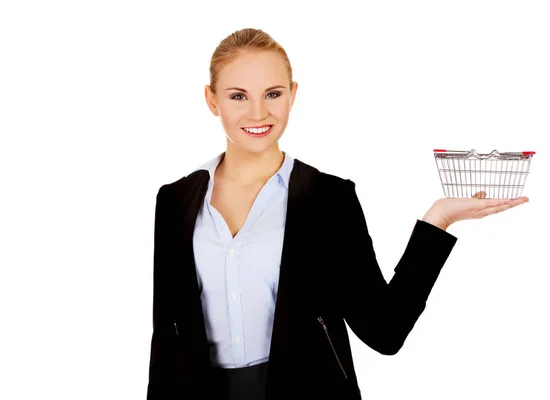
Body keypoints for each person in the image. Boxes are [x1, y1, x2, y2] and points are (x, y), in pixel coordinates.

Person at [146, 28, 529, 400]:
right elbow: (165, 340)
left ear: (293, 95)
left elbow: (385, 331)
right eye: (238, 96)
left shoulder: (329, 199)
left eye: (273, 94)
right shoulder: (175, 201)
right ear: (211, 100)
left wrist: (439, 220)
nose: (258, 112)